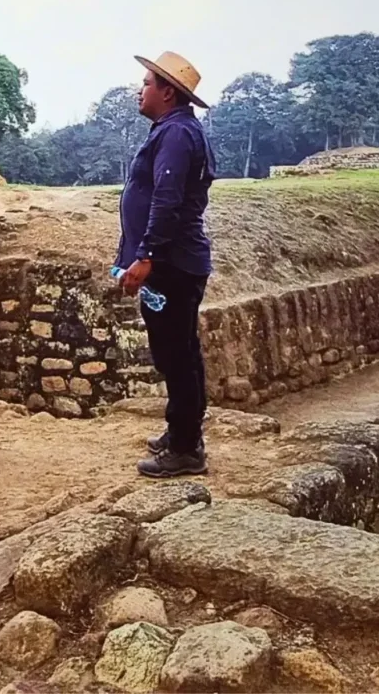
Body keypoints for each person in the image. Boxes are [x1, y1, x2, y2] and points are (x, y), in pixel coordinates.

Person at [116, 51, 217, 479]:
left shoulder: (175, 135)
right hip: (173, 262)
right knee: (181, 351)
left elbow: (167, 200)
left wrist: (145, 256)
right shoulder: (173, 131)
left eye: (146, 84)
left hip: (170, 265)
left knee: (175, 354)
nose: (141, 91)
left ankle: (185, 447)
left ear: (168, 92)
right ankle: (184, 432)